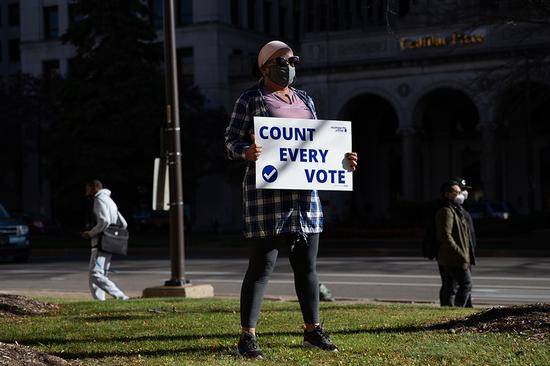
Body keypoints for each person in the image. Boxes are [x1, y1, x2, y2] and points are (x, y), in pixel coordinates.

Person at [224, 40, 358, 359]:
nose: (288, 66)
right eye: (281, 61)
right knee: (261, 267)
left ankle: (312, 331)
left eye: (292, 60)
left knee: (307, 267)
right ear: (264, 67)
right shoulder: (250, 98)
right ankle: (248, 336)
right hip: (266, 198)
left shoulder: (306, 99)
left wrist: (343, 160)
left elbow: (319, 145)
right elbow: (230, 140)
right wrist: (246, 152)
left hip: (304, 198)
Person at [81, 180, 129, 301]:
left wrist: (90, 233)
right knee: (101, 274)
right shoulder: (110, 200)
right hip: (110, 243)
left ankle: (121, 296)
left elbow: (104, 220)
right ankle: (100, 301)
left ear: (94, 188)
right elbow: (124, 223)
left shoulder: (99, 199)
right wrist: (114, 233)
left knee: (95, 274)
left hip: (101, 243)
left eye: (87, 189)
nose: (86, 192)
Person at [435, 179, 473, 307]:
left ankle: (452, 309)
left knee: (451, 286)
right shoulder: (447, 211)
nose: (460, 194)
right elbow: (445, 236)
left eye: (460, 191)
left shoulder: (456, 209)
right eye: (456, 192)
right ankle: (457, 310)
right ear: (447, 194)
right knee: (465, 284)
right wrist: (461, 253)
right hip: (454, 258)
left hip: (456, 257)